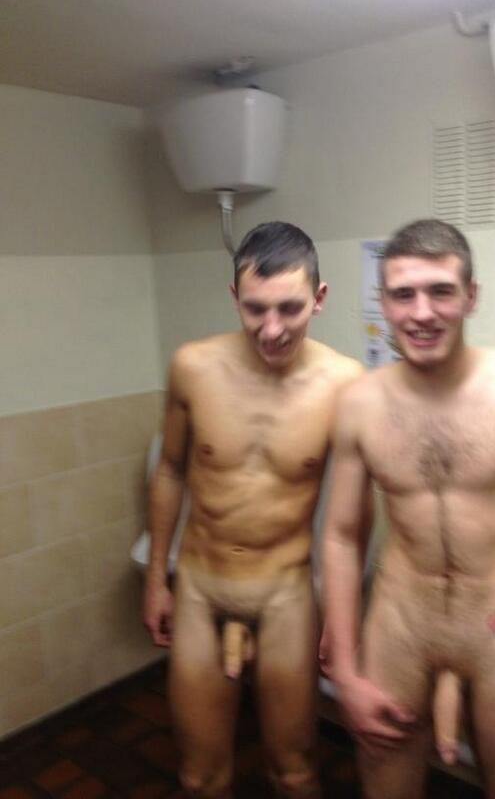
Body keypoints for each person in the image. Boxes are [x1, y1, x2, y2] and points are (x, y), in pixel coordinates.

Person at [321, 218, 495, 799]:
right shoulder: (359, 405)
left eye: (441, 291)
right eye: (403, 294)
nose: (422, 313)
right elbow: (342, 536)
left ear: (471, 295)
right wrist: (345, 670)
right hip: (399, 629)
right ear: (384, 303)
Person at [142, 220, 363, 799]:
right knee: (201, 776)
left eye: (290, 308)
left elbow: (353, 516)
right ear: (234, 297)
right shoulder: (192, 367)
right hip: (201, 588)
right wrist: (156, 578)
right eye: (255, 308)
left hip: (285, 594)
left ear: (319, 297)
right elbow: (170, 470)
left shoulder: (345, 383)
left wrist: (341, 614)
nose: (272, 329)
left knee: (294, 771)